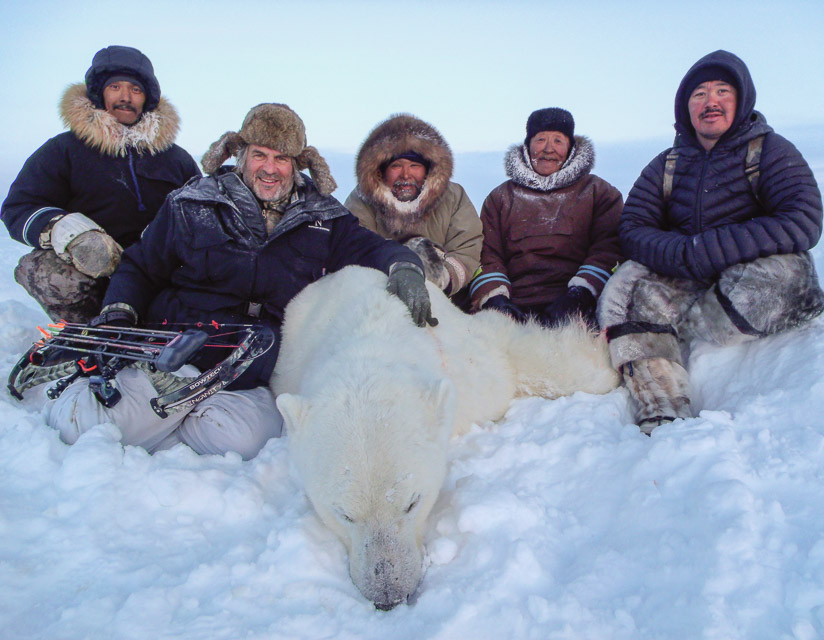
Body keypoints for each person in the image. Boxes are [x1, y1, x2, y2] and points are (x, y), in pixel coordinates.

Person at [43, 103, 434, 460]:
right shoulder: (192, 202)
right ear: (240, 155)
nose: (270, 167)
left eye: (281, 158)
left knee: (237, 442)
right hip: (179, 352)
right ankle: (130, 404)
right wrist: (118, 314)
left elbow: (373, 249)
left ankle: (167, 424)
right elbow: (140, 266)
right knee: (82, 425)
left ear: (297, 164)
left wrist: (405, 267)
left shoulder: (324, 217)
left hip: (252, 369)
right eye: (260, 155)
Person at [597, 50, 824, 434]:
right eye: (699, 94)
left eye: (722, 91)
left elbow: (803, 220)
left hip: (750, 276)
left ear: (741, 100)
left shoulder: (770, 151)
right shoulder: (665, 165)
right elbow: (634, 228)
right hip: (687, 274)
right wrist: (683, 254)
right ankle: (661, 409)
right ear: (686, 107)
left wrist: (713, 247)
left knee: (788, 272)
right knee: (634, 294)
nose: (711, 102)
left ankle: (694, 330)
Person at [1, 45, 199, 323]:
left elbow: (203, 213)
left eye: (136, 90)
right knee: (42, 269)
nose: (125, 97)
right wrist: (67, 233)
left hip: (159, 270)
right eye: (115, 87)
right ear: (99, 93)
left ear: (148, 99)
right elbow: (18, 207)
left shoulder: (176, 158)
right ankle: (87, 333)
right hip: (92, 269)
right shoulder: (64, 149)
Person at [469, 107, 623, 327]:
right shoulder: (500, 198)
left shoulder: (599, 192)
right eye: (540, 139)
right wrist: (496, 298)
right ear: (527, 145)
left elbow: (610, 248)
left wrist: (582, 294)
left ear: (570, 148)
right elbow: (487, 254)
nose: (548, 149)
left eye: (558, 141)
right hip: (515, 306)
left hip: (580, 306)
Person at [344, 114, 483, 299]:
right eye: (396, 165)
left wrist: (442, 278)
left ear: (428, 169)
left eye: (414, 165)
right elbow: (355, 249)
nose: (406, 174)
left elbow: (467, 247)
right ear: (381, 170)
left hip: (449, 301)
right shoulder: (361, 200)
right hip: (382, 296)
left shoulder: (454, 197)